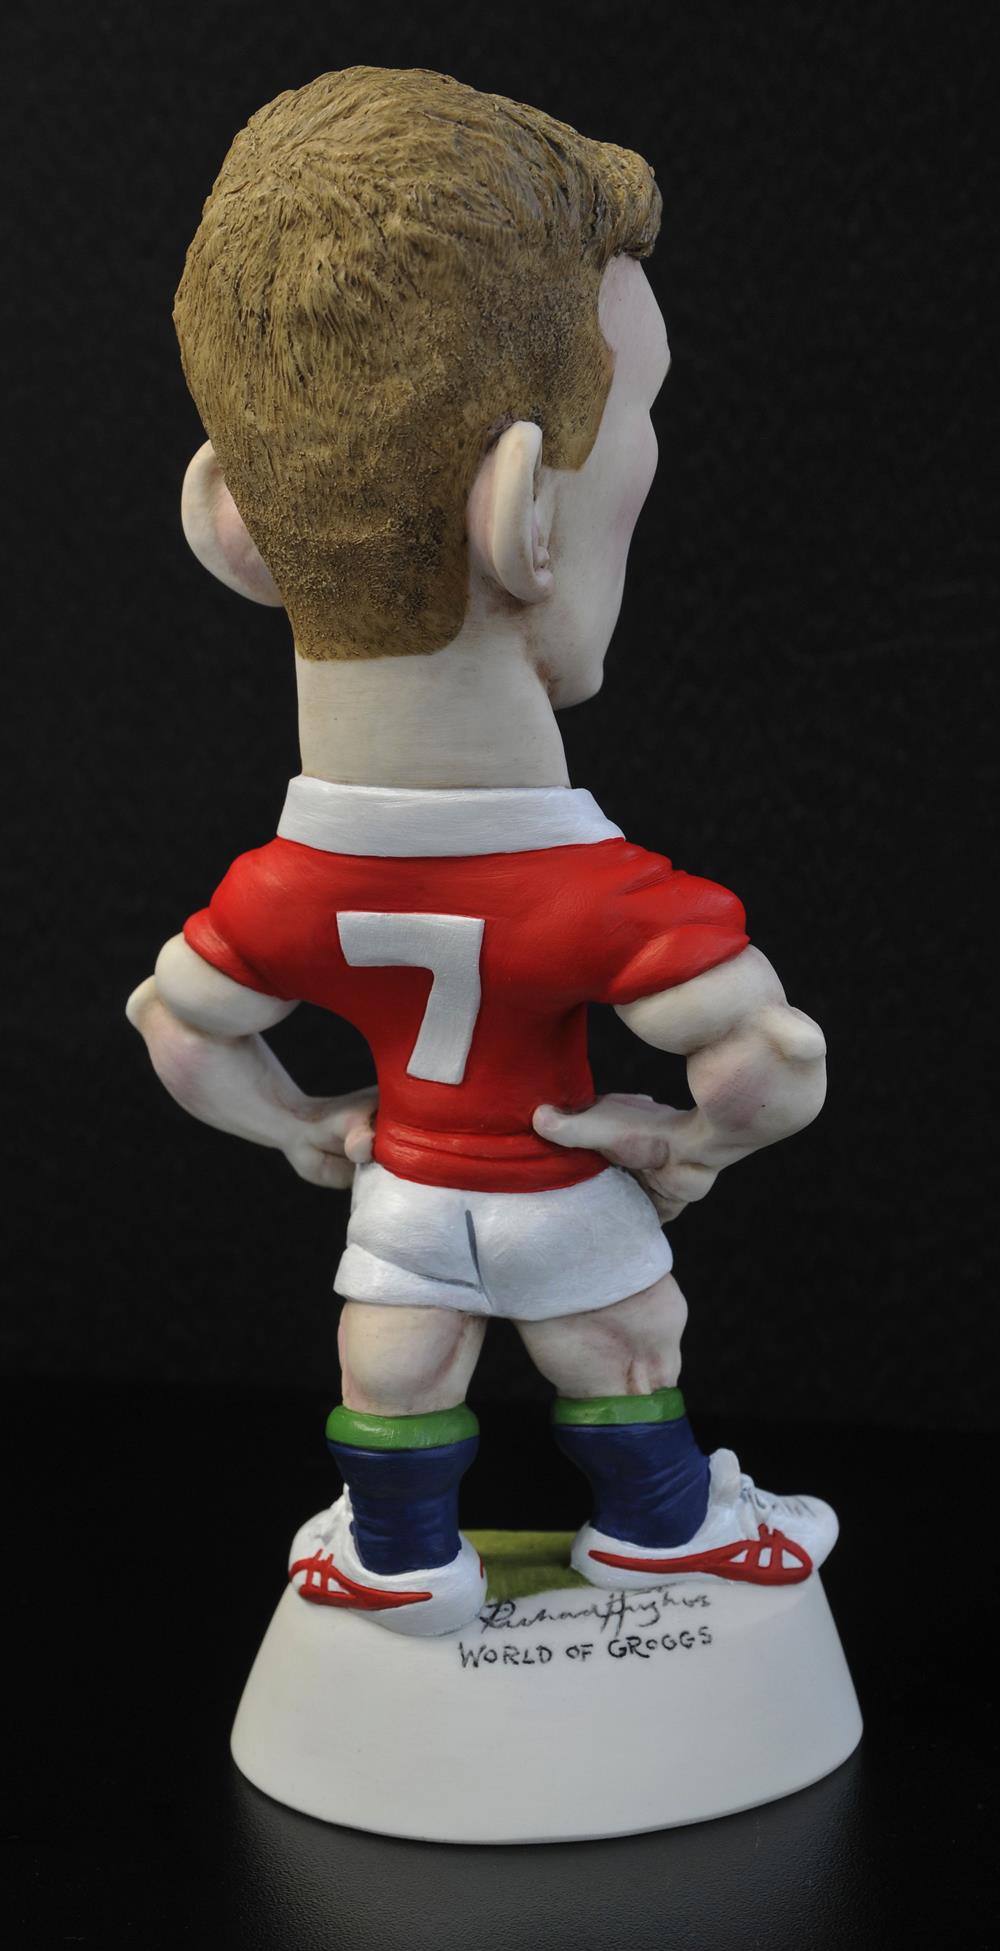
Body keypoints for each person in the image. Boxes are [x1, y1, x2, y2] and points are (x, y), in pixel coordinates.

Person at [127, 67, 835, 1636]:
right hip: (559, 1182)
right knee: (624, 1344)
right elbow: (768, 1062)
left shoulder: (281, 889)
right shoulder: (601, 893)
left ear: (229, 522)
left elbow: (178, 1028)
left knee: (393, 1362)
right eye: (644, 425)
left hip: (400, 1194)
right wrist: (689, 1143)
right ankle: (662, 1535)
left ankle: (395, 1557)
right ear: (526, 514)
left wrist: (302, 1124)